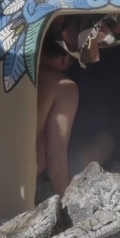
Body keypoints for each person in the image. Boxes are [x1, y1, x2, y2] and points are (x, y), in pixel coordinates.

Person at [35, 34, 80, 204]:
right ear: (65, 58)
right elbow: (56, 155)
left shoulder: (8, 76)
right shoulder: (63, 87)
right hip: (30, 179)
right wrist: (68, 201)